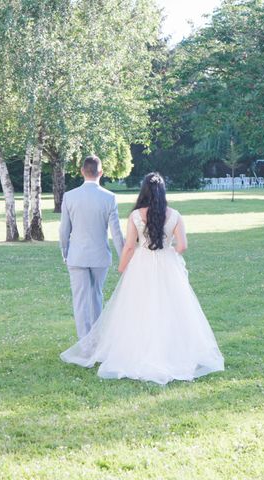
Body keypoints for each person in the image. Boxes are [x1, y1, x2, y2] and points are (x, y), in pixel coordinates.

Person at [61, 172, 224, 385]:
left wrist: (122, 267)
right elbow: (183, 246)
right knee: (171, 307)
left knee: (138, 307)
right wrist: (169, 252)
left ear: (144, 191)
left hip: (142, 264)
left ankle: (137, 350)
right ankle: (170, 351)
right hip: (167, 265)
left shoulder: (137, 215)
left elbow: (129, 245)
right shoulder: (175, 215)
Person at [59, 155, 125, 339]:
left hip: (77, 256)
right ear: (101, 173)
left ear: (82, 171)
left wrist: (65, 252)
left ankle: (85, 345)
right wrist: (124, 257)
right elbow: (116, 233)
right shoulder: (109, 198)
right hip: (99, 256)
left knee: (80, 301)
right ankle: (97, 341)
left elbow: (64, 230)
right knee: (96, 297)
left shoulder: (69, 197)